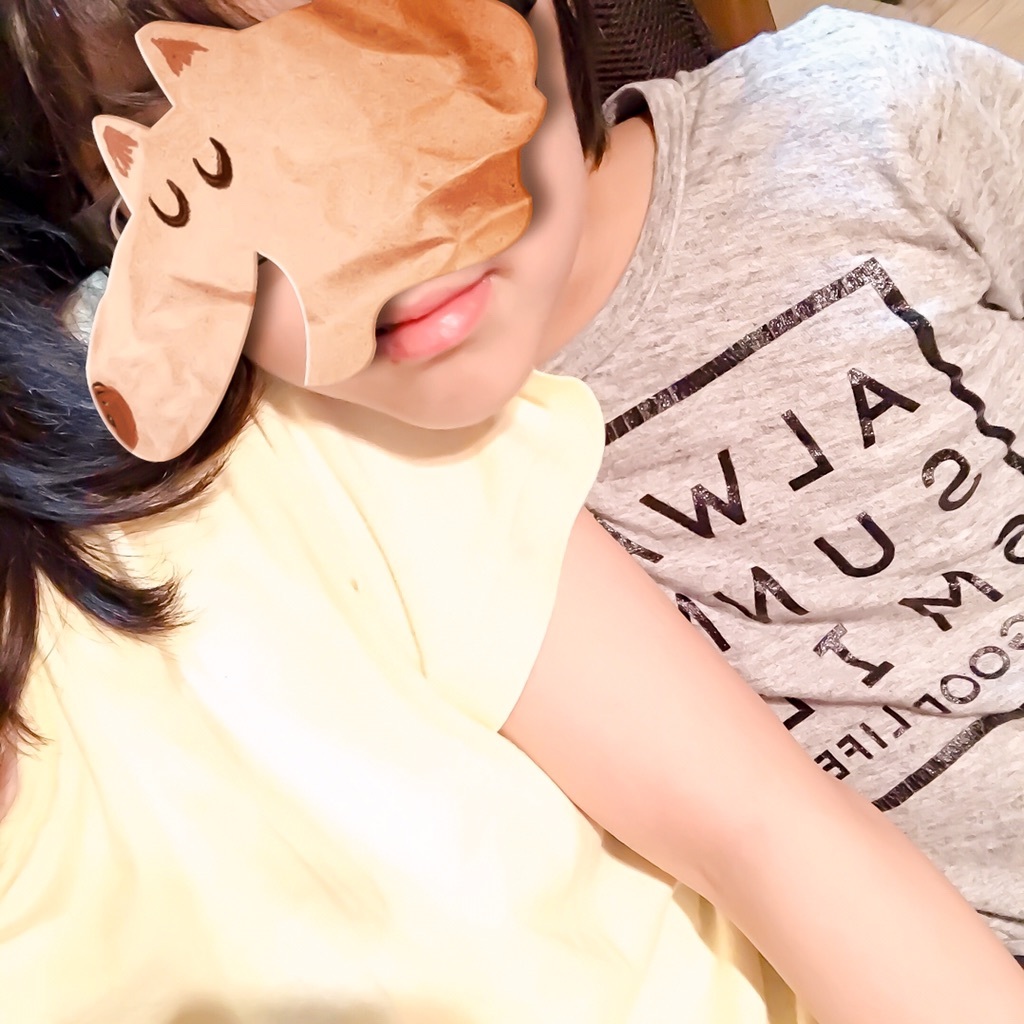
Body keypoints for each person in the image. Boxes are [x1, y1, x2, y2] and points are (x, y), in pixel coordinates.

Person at [3, 3, 1024, 1024]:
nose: (358, 246)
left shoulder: (866, 113)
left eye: (381, 77)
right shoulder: (316, 459)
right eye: (205, 180)